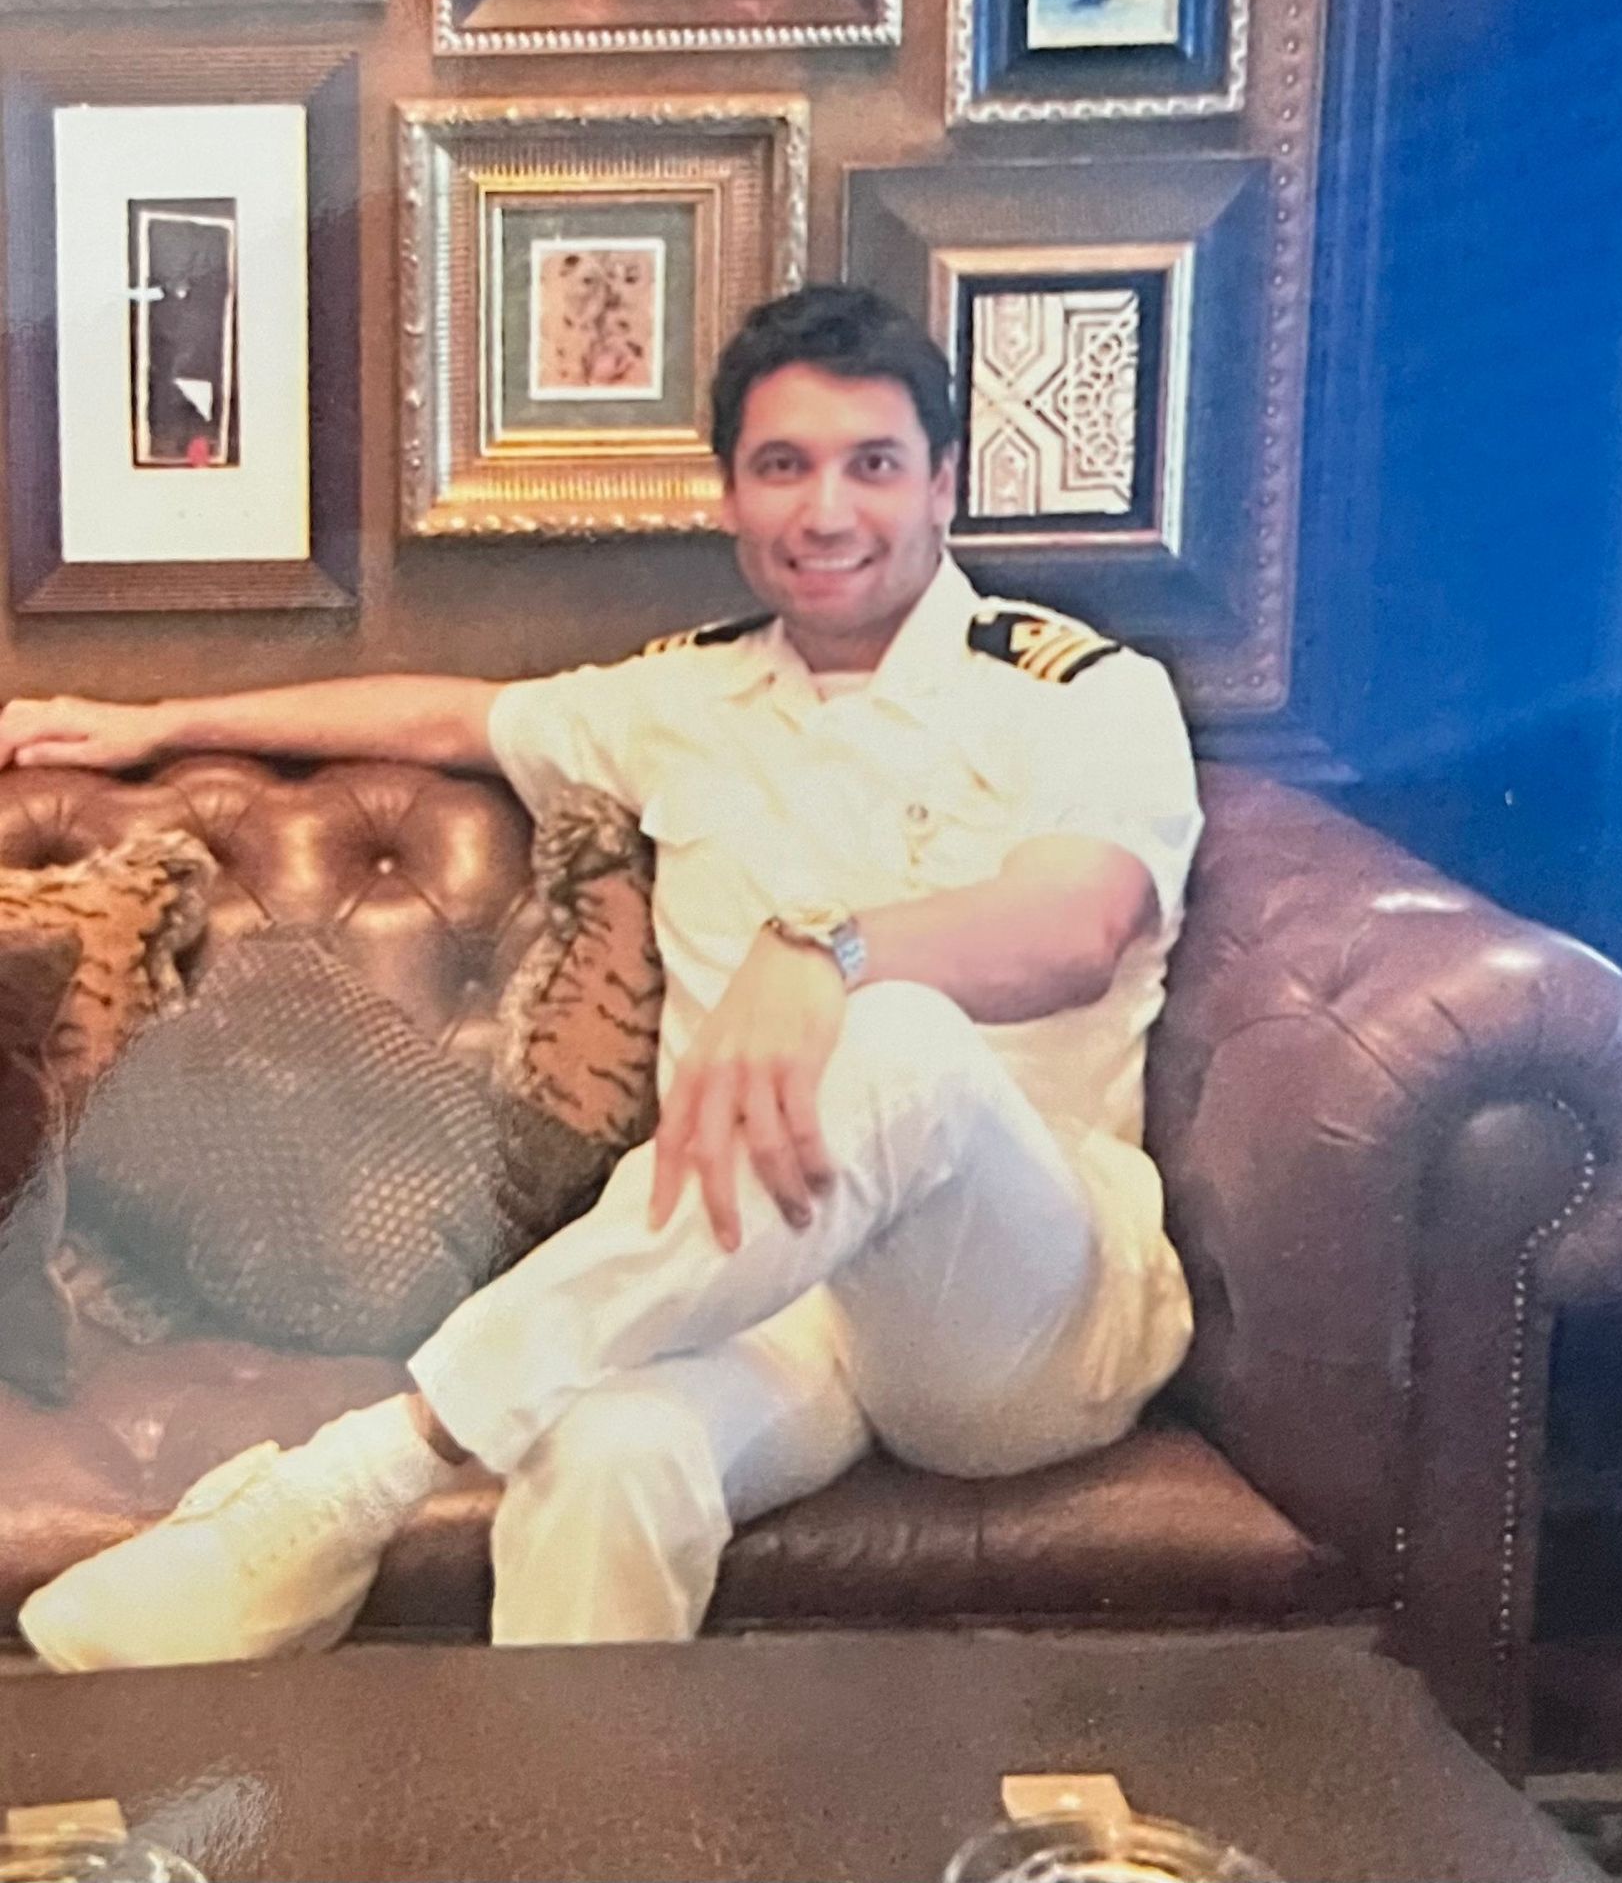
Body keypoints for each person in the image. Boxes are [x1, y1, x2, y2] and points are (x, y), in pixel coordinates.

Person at [0, 285, 1202, 1669]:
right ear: (730, 497)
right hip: (758, 1299)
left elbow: (1081, 923)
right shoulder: (682, 700)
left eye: (872, 464)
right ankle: (574, 1791)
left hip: (1013, 1312)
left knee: (894, 1040)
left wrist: (831, 953)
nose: (826, 511)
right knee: (604, 1453)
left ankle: (366, 1471)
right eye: (783, 466)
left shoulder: (1079, 693)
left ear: (941, 484)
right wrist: (159, 722)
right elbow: (451, 717)